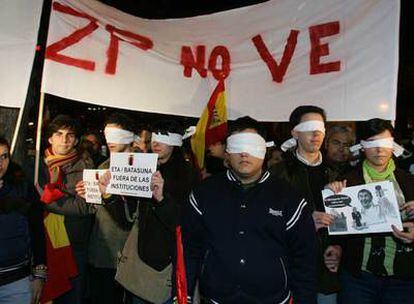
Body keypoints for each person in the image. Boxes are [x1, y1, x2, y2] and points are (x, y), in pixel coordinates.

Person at [182, 116, 317, 304]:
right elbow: (189, 250)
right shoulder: (204, 193)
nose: (244, 153)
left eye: (252, 145)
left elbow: (305, 261)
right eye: (238, 146)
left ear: (264, 150)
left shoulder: (289, 198)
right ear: (227, 152)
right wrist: (183, 297)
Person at [328, 118, 414, 304]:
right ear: (362, 146)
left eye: (384, 143)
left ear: (393, 145)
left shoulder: (409, 181)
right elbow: (336, 229)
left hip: (403, 277)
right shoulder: (346, 182)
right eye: (372, 143)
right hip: (358, 277)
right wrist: (334, 198)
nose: (379, 149)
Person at [271, 106, 341, 304]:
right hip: (289, 268)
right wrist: (303, 221)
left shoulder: (336, 172)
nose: (316, 133)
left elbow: (349, 220)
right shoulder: (278, 174)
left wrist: (338, 248)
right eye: (309, 127)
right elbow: (266, 219)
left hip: (327, 269)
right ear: (295, 132)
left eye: (320, 128)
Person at [78, 113, 139, 304]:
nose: (110, 141)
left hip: (126, 257)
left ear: (129, 137)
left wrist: (108, 195)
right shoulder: (103, 166)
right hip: (100, 253)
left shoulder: (141, 169)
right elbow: (95, 210)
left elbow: (130, 217)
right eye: (108, 135)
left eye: (117, 135)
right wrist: (87, 194)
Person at [38, 115, 95, 304]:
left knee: (70, 297)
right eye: (59, 134)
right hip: (42, 242)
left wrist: (47, 200)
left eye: (70, 135)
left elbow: (83, 206)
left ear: (76, 140)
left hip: (72, 244)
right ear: (50, 138)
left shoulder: (84, 165)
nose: (64, 139)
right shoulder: (37, 165)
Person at [0, 137, 46, 304]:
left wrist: (40, 273)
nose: (0, 163)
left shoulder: (22, 188)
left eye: (4, 156)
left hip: (15, 282)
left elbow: (37, 230)